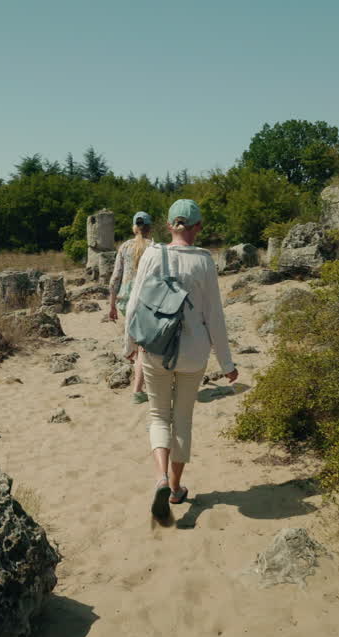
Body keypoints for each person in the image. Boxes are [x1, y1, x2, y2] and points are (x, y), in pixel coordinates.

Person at [123, 199, 238, 524]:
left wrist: (130, 345)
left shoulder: (151, 254)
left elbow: (133, 303)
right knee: (183, 420)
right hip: (193, 352)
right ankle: (175, 489)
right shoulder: (204, 261)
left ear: (170, 224)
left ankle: (160, 478)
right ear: (198, 227)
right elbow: (215, 316)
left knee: (159, 415)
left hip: (156, 347)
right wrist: (227, 364)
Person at [108, 210, 153, 403]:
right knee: (144, 346)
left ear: (134, 227)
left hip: (126, 301)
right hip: (147, 300)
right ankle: (137, 390)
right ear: (149, 227)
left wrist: (112, 305)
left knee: (135, 341)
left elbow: (115, 279)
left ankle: (140, 382)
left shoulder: (124, 247)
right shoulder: (154, 247)